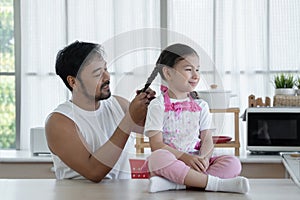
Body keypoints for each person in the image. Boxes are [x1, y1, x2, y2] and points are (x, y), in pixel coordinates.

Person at [142, 43, 250, 193]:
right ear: (168, 73)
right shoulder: (158, 105)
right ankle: (215, 184)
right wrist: (185, 158)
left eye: (197, 69)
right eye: (188, 69)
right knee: (157, 158)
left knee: (233, 162)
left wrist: (204, 158)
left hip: (196, 162)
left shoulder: (201, 106)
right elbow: (156, 145)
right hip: (172, 162)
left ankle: (176, 184)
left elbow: (207, 140)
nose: (196, 75)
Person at [45, 41, 155, 182]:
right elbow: (94, 172)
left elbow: (156, 130)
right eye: (98, 74)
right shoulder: (59, 122)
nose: (107, 77)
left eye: (106, 69)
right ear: (73, 82)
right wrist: (129, 119)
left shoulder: (118, 104)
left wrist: (153, 108)